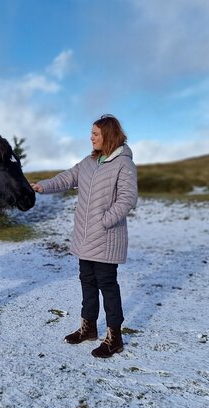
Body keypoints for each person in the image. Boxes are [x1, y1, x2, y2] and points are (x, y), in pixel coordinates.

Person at [31, 114, 138, 358]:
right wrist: (43, 186)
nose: (91, 138)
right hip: (84, 237)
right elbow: (67, 178)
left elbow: (127, 199)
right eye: (91, 133)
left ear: (108, 135)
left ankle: (115, 338)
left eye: (95, 134)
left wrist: (104, 221)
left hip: (107, 237)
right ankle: (88, 328)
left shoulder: (124, 164)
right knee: (87, 282)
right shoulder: (89, 162)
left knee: (107, 285)